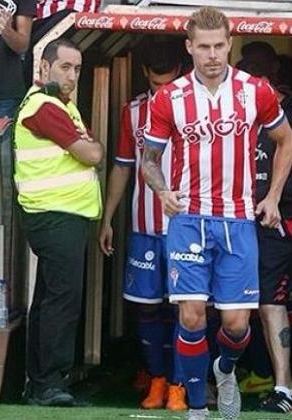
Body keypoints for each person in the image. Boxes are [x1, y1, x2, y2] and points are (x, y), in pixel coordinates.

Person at [142, 7, 292, 420]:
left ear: (230, 45)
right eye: (204, 47)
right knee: (191, 315)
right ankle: (196, 408)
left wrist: (274, 196)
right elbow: (148, 158)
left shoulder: (255, 90)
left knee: (236, 325)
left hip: (238, 219)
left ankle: (224, 369)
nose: (212, 54)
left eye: (219, 46)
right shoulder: (169, 97)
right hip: (188, 218)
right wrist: (162, 191)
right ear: (189, 47)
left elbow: (286, 140)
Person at [98, 40, 187, 411]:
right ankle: (157, 379)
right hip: (144, 226)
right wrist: (108, 218)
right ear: (146, 75)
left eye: (168, 85)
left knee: (188, 308)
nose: (161, 93)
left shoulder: (196, 110)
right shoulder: (133, 112)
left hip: (186, 226)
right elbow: (122, 165)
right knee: (147, 307)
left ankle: (182, 384)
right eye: (155, 85)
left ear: (180, 75)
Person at [14, 37, 103, 407]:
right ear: (45, 67)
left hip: (58, 214)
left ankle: (41, 384)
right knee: (62, 302)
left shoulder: (61, 106)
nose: (72, 75)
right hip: (56, 214)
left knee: (49, 300)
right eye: (65, 67)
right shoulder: (46, 106)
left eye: (77, 69)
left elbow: (89, 152)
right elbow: (91, 153)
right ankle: (51, 384)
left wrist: (89, 149)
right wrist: (91, 148)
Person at [236, 48, 292, 414]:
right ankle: (215, 380)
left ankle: (285, 389)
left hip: (277, 222)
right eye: (246, 72)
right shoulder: (235, 110)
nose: (252, 78)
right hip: (233, 221)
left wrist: (268, 199)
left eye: (257, 71)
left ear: (272, 72)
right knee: (226, 302)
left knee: (272, 301)